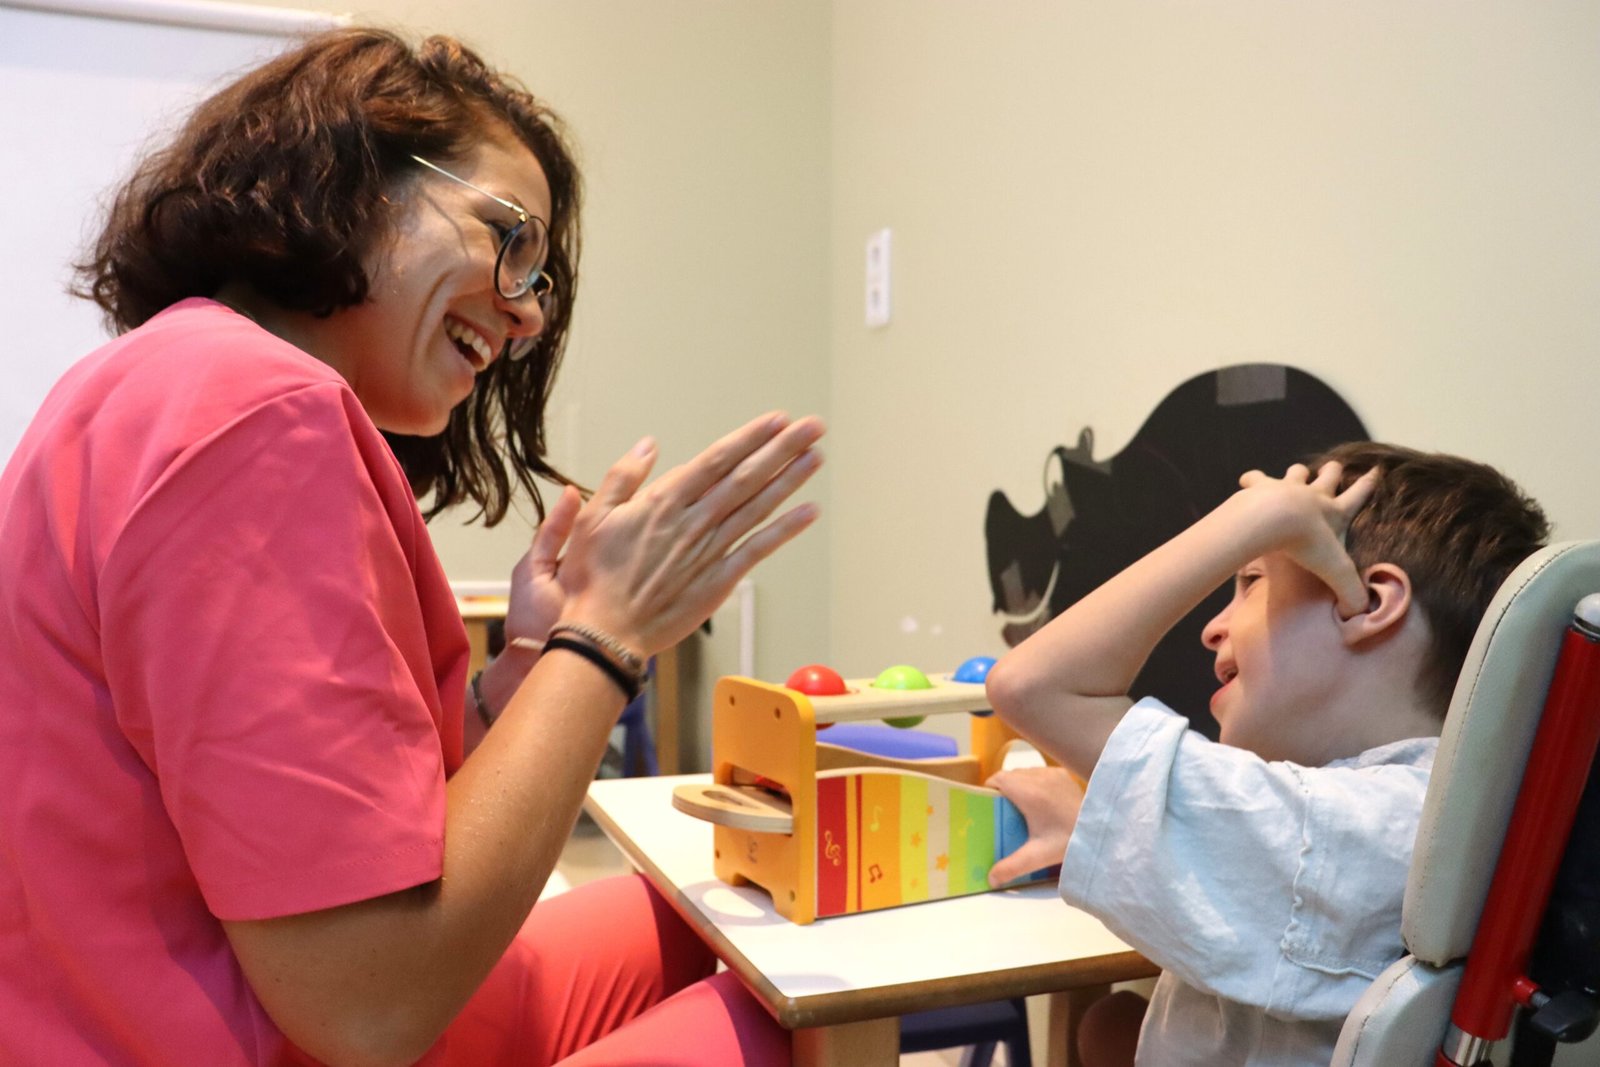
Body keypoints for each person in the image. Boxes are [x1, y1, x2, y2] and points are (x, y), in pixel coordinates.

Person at [0, 27, 821, 1067]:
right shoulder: (258, 418)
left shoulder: (169, 378)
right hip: (275, 1024)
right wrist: (606, 639)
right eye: (510, 238)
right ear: (347, 181)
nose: (524, 316)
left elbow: (340, 816)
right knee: (795, 1017)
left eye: (543, 281)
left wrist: (526, 664)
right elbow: (369, 1006)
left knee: (692, 912)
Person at [981, 442, 1550, 1067]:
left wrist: (1252, 517)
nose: (1212, 629)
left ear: (1368, 602)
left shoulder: (1335, 829)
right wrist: (1112, 817)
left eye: (1251, 581)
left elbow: (1029, 685)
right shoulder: (1426, 811)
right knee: (1110, 1024)